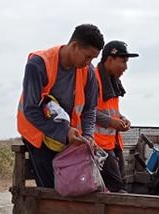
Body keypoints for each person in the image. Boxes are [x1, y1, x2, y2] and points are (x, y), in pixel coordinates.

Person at [16, 24, 104, 188]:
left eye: (92, 59)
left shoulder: (89, 72)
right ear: (74, 46)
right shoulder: (39, 64)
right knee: (51, 187)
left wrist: (89, 135)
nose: (88, 63)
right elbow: (31, 109)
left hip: (68, 137)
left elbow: (89, 110)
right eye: (87, 57)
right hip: (38, 133)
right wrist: (65, 132)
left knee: (75, 184)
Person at [94, 40, 138, 192]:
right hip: (97, 144)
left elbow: (109, 110)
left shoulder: (112, 81)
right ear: (110, 59)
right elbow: (87, 112)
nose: (125, 67)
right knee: (116, 186)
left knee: (120, 183)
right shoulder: (94, 79)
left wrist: (122, 118)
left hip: (112, 143)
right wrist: (112, 122)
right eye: (123, 61)